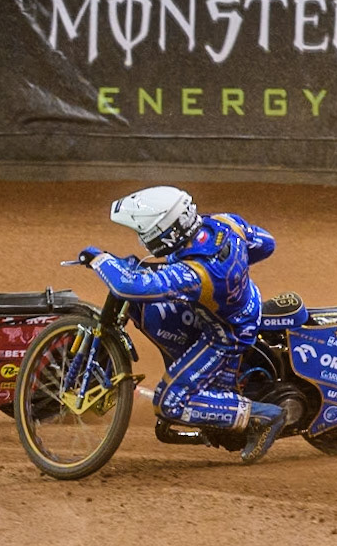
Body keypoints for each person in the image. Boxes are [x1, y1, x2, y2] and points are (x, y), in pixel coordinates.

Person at [76, 186, 288, 463]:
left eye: (146, 234)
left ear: (166, 232)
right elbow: (265, 244)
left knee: (170, 403)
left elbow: (129, 286)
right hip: (241, 305)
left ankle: (264, 416)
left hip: (225, 334)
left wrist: (100, 260)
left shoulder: (196, 273)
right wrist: (234, 273)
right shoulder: (223, 223)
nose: (143, 241)